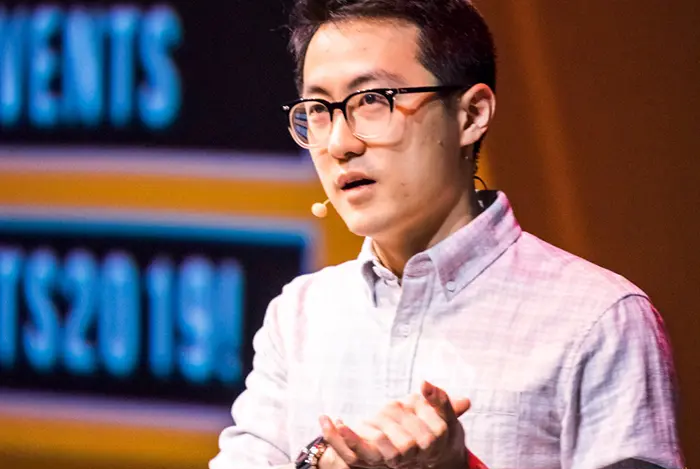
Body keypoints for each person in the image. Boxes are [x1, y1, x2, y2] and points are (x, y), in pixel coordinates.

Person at [210, 1, 684, 468]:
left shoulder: (597, 319)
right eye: (318, 109)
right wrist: (318, 461)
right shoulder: (301, 315)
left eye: (372, 100)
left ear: (471, 114)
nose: (339, 143)